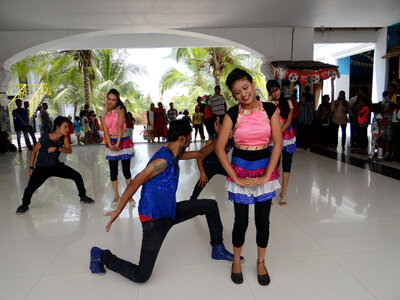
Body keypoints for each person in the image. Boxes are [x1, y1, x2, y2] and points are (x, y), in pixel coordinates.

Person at [89, 120, 239, 282]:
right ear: (182, 139)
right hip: (154, 220)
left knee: (210, 205)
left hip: (170, 211)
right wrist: (118, 210)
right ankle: (100, 255)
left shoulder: (175, 154)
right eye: (189, 139)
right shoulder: (162, 161)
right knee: (141, 276)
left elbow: (201, 154)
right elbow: (135, 182)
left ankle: (217, 248)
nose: (190, 142)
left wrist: (220, 135)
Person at [216, 68, 282, 286]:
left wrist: (267, 176)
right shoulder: (232, 114)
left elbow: (278, 143)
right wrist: (235, 177)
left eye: (245, 87)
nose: (243, 94)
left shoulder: (270, 109)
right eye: (237, 92)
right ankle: (236, 260)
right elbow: (219, 149)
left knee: (263, 221)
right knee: (241, 221)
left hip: (265, 168)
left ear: (252, 84)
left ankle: (261, 262)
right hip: (241, 169)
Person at [15, 116, 95, 215]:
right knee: (30, 188)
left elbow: (69, 151)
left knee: (77, 176)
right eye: (65, 127)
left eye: (68, 127)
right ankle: (24, 205)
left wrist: (57, 148)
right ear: (57, 127)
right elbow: (34, 151)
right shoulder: (45, 137)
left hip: (55, 166)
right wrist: (31, 168)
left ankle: (83, 197)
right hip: (42, 168)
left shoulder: (64, 137)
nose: (67, 129)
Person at [101, 89, 135, 209]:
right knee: (113, 172)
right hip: (111, 142)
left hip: (123, 141)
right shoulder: (103, 113)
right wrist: (110, 144)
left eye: (113, 99)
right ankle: (116, 196)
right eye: (109, 99)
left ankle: (129, 195)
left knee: (126, 171)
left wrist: (119, 142)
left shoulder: (120, 109)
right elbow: (105, 130)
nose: (110, 102)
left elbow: (120, 126)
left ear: (117, 100)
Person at [267, 80, 296, 206]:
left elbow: (288, 121)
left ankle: (283, 193)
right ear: (270, 92)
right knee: (274, 165)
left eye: (277, 89)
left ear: (280, 89)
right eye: (272, 91)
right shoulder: (268, 104)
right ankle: (271, 192)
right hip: (274, 137)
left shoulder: (288, 102)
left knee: (287, 164)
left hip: (287, 136)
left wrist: (278, 134)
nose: (275, 93)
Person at [189, 120, 234, 201]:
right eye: (230, 130)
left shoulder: (233, 139)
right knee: (201, 184)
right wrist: (202, 174)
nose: (232, 132)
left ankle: (241, 195)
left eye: (233, 130)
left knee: (235, 175)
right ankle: (192, 200)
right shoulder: (214, 139)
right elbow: (199, 156)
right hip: (208, 164)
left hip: (220, 163)